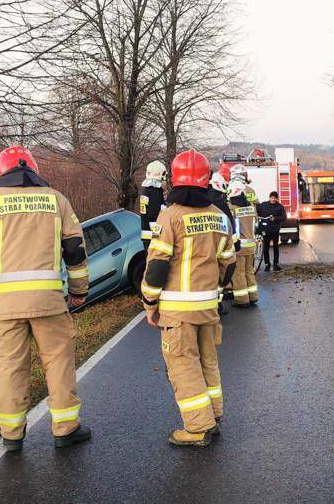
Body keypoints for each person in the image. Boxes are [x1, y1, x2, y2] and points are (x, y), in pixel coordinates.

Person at [0, 146, 91, 452]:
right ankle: (65, 429)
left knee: (11, 369)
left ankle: (12, 436)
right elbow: (75, 251)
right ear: (33, 170)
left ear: (0, 172)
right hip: (49, 303)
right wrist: (79, 291)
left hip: (6, 307)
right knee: (58, 365)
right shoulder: (57, 200)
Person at [140, 149, 236, 447]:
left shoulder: (170, 217)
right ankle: (213, 415)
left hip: (178, 311)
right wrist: (215, 289)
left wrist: (150, 304)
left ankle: (197, 428)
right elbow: (229, 262)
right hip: (208, 306)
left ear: (174, 179)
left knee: (183, 364)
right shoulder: (219, 216)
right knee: (208, 360)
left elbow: (156, 266)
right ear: (206, 179)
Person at [208, 172, 236, 316]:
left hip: (206, 243)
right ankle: (217, 304)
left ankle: (214, 304)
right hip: (221, 244)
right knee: (220, 274)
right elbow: (230, 223)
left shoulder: (206, 198)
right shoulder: (219, 201)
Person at [227, 180, 259, 307]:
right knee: (249, 271)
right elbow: (255, 223)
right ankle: (253, 296)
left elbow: (231, 227)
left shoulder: (232, 208)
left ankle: (242, 300)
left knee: (238, 273)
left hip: (239, 246)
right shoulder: (251, 206)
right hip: (252, 245)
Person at [139, 160, 167, 249]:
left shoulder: (146, 190)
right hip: (154, 236)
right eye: (165, 177)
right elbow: (155, 216)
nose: (165, 180)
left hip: (148, 235)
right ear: (160, 175)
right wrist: (161, 235)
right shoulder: (154, 192)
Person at [257, 191, 286, 271]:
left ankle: (276, 264)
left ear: (277, 199)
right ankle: (267, 264)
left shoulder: (280, 207)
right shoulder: (263, 205)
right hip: (265, 230)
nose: (273, 199)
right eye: (272, 197)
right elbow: (257, 211)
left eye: (275, 198)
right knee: (265, 248)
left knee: (275, 247)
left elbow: (284, 217)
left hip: (275, 230)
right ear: (269, 197)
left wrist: (275, 218)